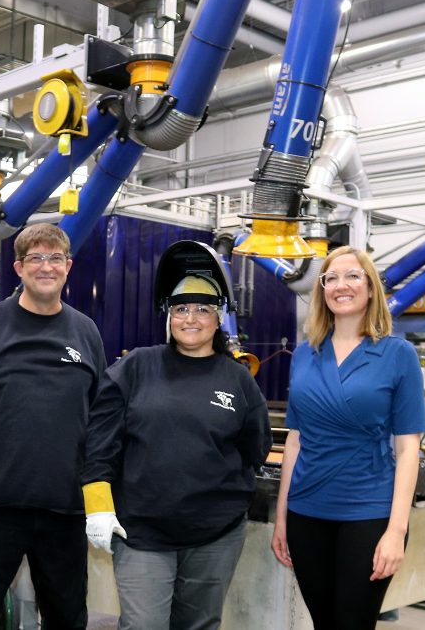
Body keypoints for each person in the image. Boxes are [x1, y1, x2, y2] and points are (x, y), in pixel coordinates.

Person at [82, 239, 272, 630]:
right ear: (168, 316)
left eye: (203, 309)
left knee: (200, 626)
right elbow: (100, 443)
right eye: (181, 308)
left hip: (215, 535)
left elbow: (256, 447)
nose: (191, 318)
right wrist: (98, 505)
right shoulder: (136, 367)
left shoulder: (237, 378)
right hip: (142, 534)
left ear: (218, 318)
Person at [0, 223, 107, 630]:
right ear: (18, 267)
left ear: (68, 266)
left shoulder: (85, 332)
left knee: (67, 617)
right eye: (36, 257)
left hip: (65, 507)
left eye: (55, 258)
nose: (46, 267)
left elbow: (101, 416)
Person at [270, 246, 425, 629]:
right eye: (331, 278)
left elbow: (408, 449)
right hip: (306, 512)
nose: (341, 285)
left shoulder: (397, 355)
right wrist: (281, 517)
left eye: (353, 276)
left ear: (371, 289)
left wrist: (396, 531)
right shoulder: (306, 354)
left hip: (368, 512)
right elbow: (296, 439)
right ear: (322, 290)